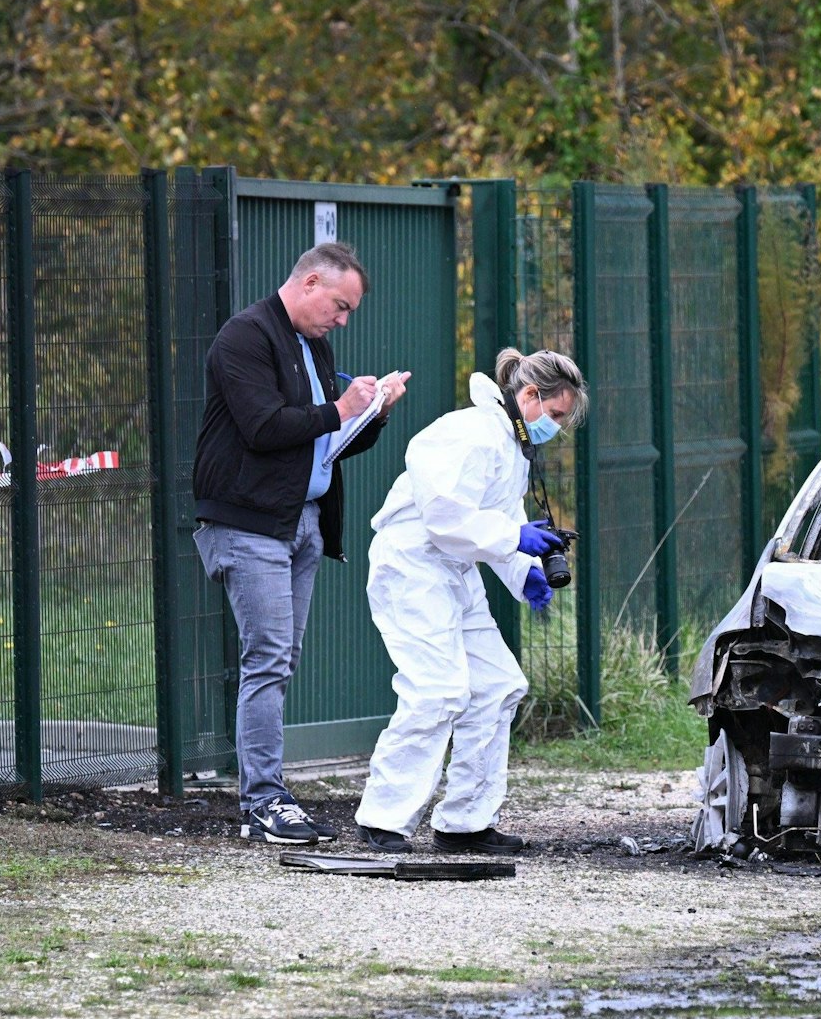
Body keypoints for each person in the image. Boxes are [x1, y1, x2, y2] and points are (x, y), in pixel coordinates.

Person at [192, 241, 408, 845]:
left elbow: (321, 444)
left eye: (347, 313)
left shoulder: (313, 344)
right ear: (310, 282)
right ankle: (263, 800)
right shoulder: (245, 336)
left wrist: (374, 414)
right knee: (266, 659)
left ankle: (266, 795)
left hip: (301, 521)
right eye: (339, 306)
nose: (341, 320)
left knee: (279, 661)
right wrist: (342, 406)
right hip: (249, 522)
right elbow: (263, 428)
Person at [353, 348, 587, 854]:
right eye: (556, 414)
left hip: (451, 572)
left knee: (498, 686)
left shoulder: (508, 446)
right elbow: (444, 518)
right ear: (529, 396)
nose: (558, 427)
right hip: (412, 565)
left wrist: (525, 572)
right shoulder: (466, 433)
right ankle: (383, 819)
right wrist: (515, 540)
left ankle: (465, 824)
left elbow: (496, 524)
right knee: (437, 690)